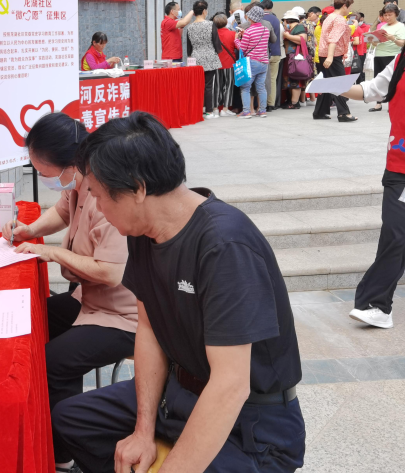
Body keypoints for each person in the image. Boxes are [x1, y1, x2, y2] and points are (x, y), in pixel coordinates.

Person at [51, 111, 305, 473]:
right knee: (72, 419)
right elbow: (149, 328)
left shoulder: (225, 245)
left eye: (99, 196)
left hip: (251, 423)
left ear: (138, 189)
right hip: (177, 394)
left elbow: (231, 385)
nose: (99, 208)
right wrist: (143, 430)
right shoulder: (142, 231)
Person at [0, 113, 136, 473]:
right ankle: (47, 425)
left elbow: (110, 272)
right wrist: (29, 231)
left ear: (71, 162)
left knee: (50, 363)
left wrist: (51, 252)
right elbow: (62, 212)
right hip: (89, 300)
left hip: (124, 316)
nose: (41, 177)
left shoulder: (109, 191)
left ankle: (65, 457)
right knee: (31, 321)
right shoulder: (78, 179)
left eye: (43, 171)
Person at [342, 45, 405, 328]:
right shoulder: (401, 60)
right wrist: (335, 86)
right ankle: (377, 305)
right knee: (395, 233)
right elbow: (371, 90)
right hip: (399, 166)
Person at [314, 0, 357, 122]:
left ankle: (320, 112)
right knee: (340, 83)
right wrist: (330, 57)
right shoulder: (339, 19)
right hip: (332, 54)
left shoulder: (329, 17)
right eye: (349, 6)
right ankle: (343, 113)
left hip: (323, 53)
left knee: (327, 83)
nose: (349, 10)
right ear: (344, 6)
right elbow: (333, 39)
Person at [185, 0, 223, 119]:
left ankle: (198, 110)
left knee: (197, 85)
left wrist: (191, 56)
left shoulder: (190, 27)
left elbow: (189, 47)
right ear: (204, 11)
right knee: (208, 86)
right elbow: (217, 43)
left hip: (195, 58)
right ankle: (209, 112)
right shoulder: (210, 24)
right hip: (210, 57)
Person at [235, 5, 270, 119]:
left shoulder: (249, 31)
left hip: (252, 62)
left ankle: (246, 111)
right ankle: (262, 110)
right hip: (264, 62)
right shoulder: (265, 30)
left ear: (250, 17)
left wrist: (236, 39)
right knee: (261, 87)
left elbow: (242, 49)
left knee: (245, 87)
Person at [369, 3, 405, 113]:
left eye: (390, 15)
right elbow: (376, 44)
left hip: (392, 56)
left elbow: (402, 43)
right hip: (379, 55)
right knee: (378, 79)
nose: (387, 17)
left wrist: (393, 38)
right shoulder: (382, 26)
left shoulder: (400, 26)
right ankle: (378, 103)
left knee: (392, 81)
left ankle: (392, 103)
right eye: (385, 15)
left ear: (396, 15)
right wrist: (373, 40)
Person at [280, 11, 309, 109]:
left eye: (284, 21)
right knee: (290, 79)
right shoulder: (291, 28)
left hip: (296, 57)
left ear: (287, 20)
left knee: (295, 79)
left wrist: (288, 36)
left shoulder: (299, 27)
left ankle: (294, 102)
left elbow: (302, 39)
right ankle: (291, 101)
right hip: (290, 56)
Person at [213, 13, 238, 116]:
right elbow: (237, 47)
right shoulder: (232, 34)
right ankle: (225, 108)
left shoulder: (213, 34)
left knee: (217, 86)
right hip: (229, 63)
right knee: (228, 86)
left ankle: (215, 108)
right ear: (227, 22)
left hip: (216, 63)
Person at [261, 0, 283, 111]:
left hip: (264, 53)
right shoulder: (276, 19)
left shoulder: (261, 19)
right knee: (273, 79)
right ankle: (271, 104)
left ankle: (262, 104)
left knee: (262, 79)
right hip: (276, 52)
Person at [352, 12, 370, 83]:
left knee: (357, 71)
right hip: (360, 51)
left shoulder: (355, 29)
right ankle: (361, 85)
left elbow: (356, 42)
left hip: (357, 52)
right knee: (359, 70)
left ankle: (359, 85)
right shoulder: (358, 28)